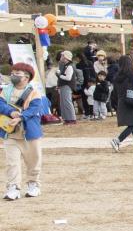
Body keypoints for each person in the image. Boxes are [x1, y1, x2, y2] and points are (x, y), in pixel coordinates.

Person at [1, 62, 48, 200]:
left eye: (17, 73)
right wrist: (11, 112)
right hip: (10, 132)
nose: (13, 75)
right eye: (13, 73)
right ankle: (13, 187)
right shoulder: (6, 90)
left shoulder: (34, 92)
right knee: (11, 162)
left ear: (26, 77)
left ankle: (33, 184)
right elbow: (0, 104)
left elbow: (34, 109)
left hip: (30, 133)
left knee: (33, 160)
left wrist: (20, 117)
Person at [56, 51, 78, 125]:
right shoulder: (65, 65)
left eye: (62, 56)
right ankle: (66, 119)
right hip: (63, 85)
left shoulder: (69, 66)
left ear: (66, 58)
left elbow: (68, 78)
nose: (61, 57)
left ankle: (72, 119)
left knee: (67, 102)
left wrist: (59, 75)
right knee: (63, 103)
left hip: (67, 86)